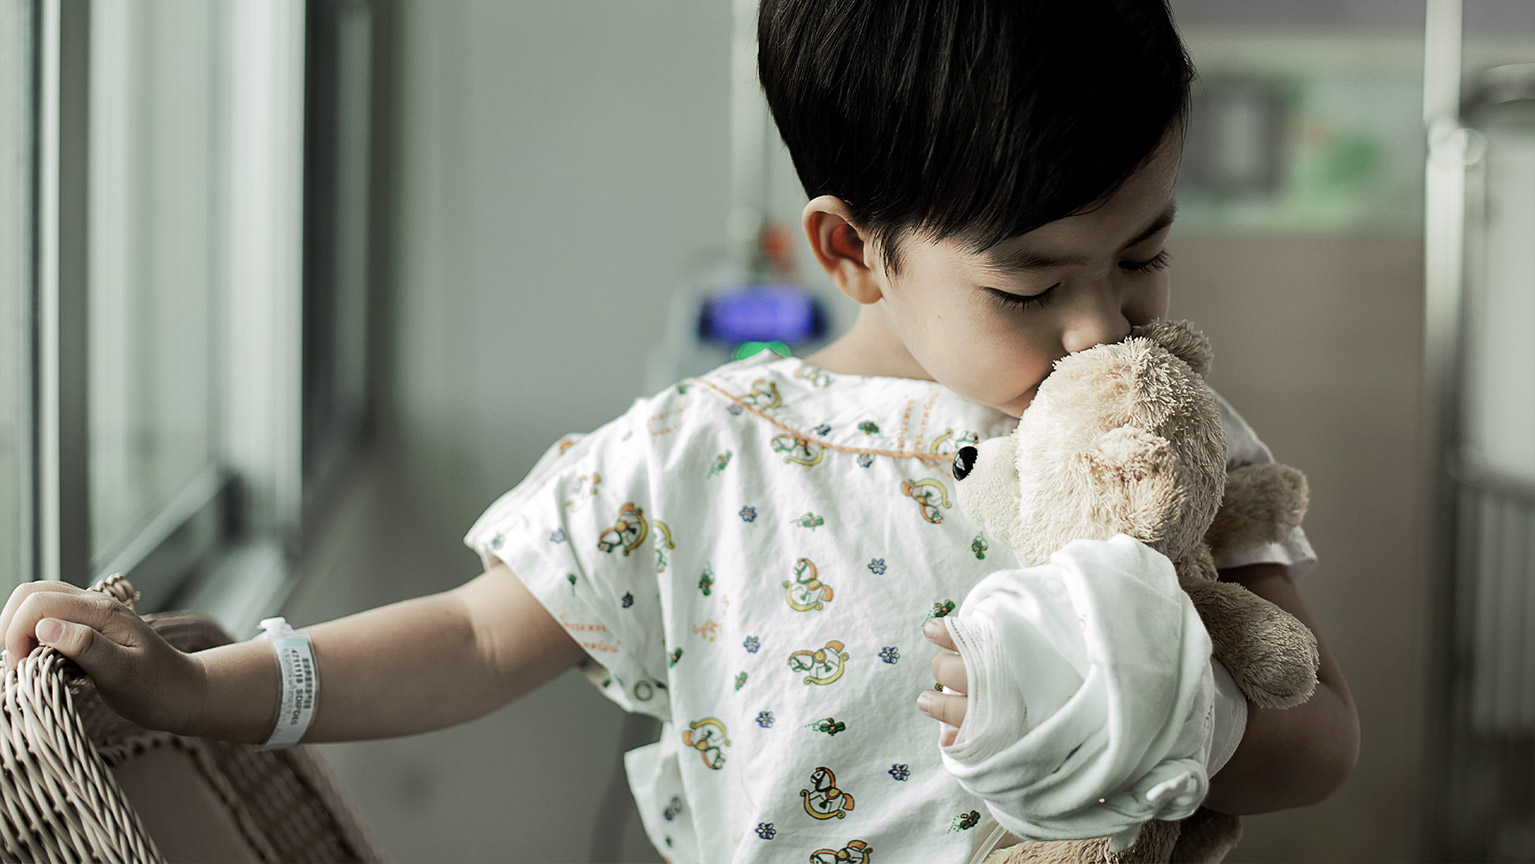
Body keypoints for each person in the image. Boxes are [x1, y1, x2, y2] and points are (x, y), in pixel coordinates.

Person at [2, 1, 1358, 861]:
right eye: (1029, 284)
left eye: (1145, 257)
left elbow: (1322, 737)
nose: (1100, 334)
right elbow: (476, 637)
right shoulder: (710, 455)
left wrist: (1136, 706)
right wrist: (208, 690)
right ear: (851, 249)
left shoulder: (1165, 436)